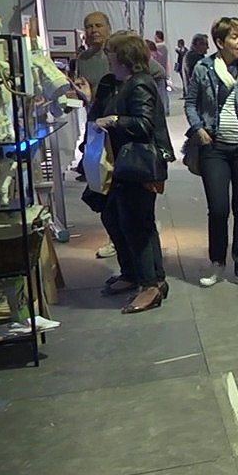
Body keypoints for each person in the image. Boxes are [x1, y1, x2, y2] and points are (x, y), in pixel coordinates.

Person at [185, 17, 238, 289]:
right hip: (214, 149)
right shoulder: (203, 68)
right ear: (220, 42)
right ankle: (217, 263)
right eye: (234, 37)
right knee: (218, 208)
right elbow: (190, 103)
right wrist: (198, 128)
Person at [95, 31, 173, 314]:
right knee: (118, 217)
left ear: (123, 56)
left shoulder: (139, 84)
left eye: (111, 52)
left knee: (136, 223)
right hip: (126, 166)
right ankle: (139, 275)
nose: (107, 57)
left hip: (138, 166)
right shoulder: (121, 83)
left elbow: (144, 125)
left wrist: (115, 120)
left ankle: (150, 284)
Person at [75, 12, 118, 257]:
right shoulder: (83, 59)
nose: (93, 30)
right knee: (101, 187)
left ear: (108, 27)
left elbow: (154, 73)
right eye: (88, 26)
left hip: (120, 129)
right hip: (96, 131)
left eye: (98, 25)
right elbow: (85, 95)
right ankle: (115, 236)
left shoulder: (120, 50)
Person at [153, 30, 171, 113]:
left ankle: (163, 109)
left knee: (161, 92)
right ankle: (166, 108)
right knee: (164, 92)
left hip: (158, 72)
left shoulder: (158, 47)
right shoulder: (165, 47)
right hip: (164, 71)